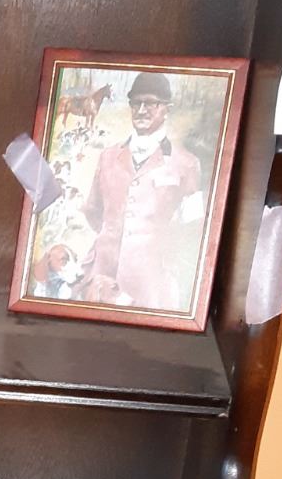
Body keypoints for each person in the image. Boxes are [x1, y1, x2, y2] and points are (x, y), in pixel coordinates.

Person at [80, 70, 205, 311]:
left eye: (151, 103)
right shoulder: (107, 157)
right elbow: (93, 211)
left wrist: (156, 250)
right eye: (135, 103)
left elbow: (193, 227)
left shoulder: (187, 164)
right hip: (102, 277)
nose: (141, 110)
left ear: (167, 108)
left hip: (152, 283)